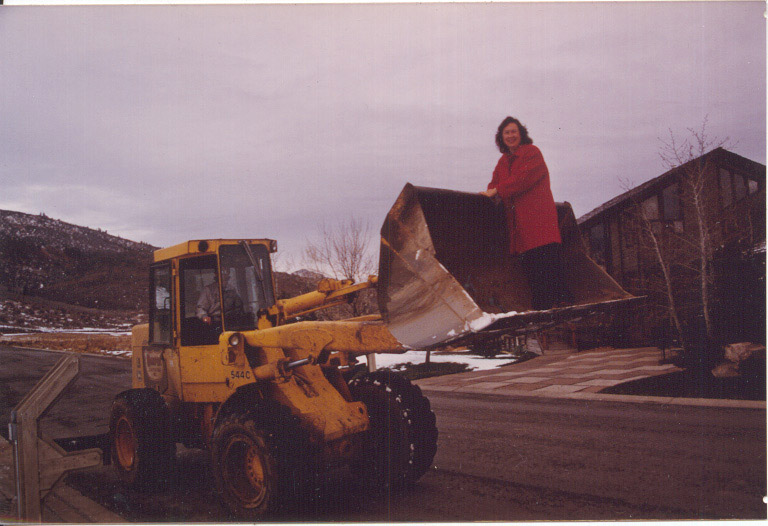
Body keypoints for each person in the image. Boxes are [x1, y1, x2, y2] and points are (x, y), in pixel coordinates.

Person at [480, 116, 572, 310]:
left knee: (546, 259)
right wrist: (486, 196)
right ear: (501, 137)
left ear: (521, 134)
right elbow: (494, 184)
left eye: (514, 131)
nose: (511, 135)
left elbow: (522, 179)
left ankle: (562, 302)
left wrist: (496, 191)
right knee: (530, 265)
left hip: (538, 219)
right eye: (507, 132)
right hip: (519, 223)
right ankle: (541, 306)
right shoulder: (503, 162)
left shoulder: (532, 153)